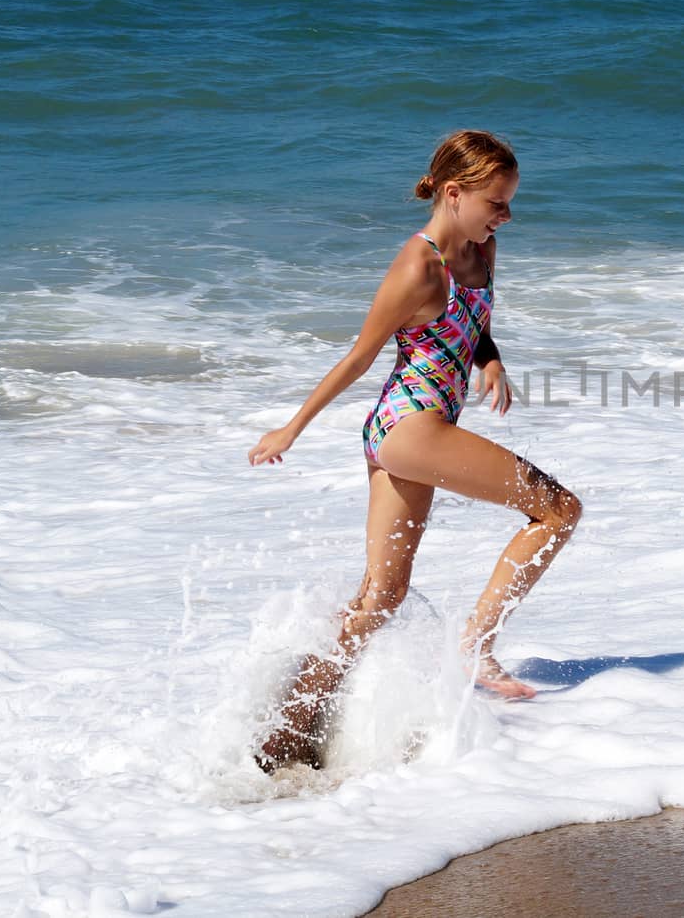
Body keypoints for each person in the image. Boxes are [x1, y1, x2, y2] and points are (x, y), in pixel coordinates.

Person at [246, 130, 581, 773]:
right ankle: (475, 649)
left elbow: (473, 323)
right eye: (497, 203)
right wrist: (290, 430)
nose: (506, 215)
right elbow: (360, 356)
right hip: (408, 425)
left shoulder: (483, 249)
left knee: (381, 599)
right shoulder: (416, 267)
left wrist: (490, 359)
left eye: (509, 203)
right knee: (558, 510)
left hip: (419, 427)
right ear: (455, 194)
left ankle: (286, 732)